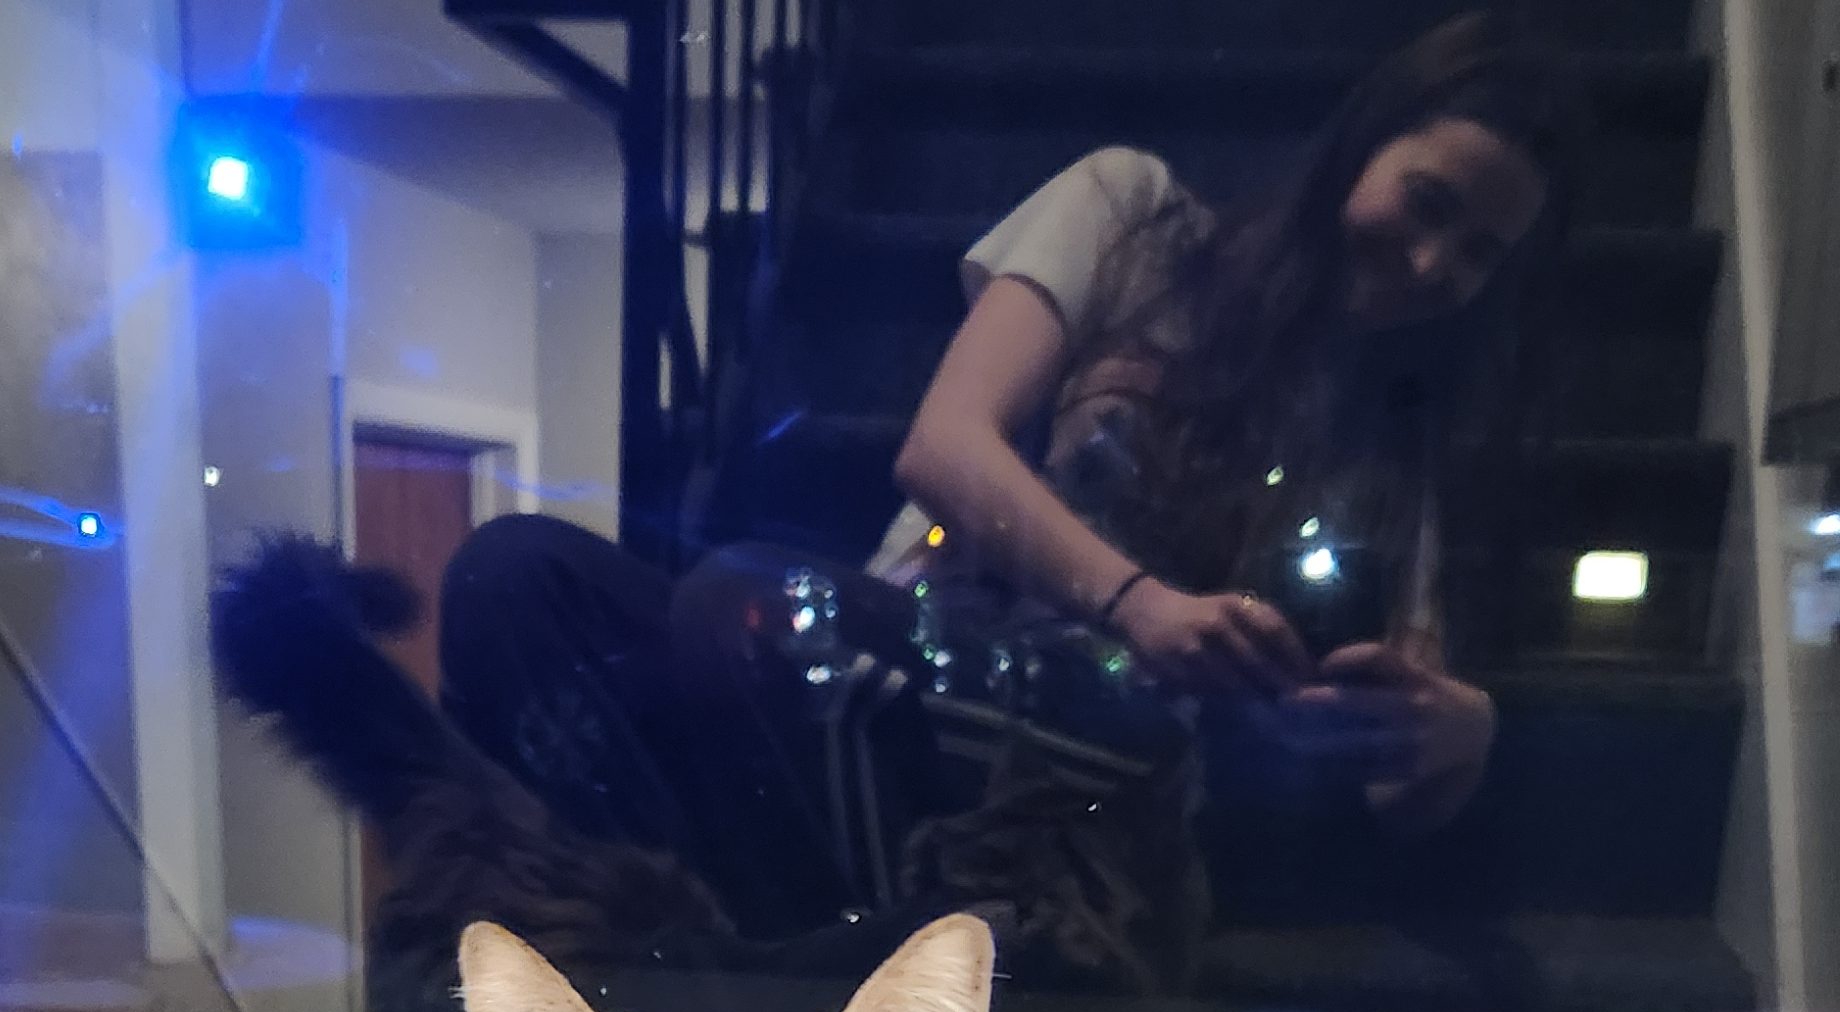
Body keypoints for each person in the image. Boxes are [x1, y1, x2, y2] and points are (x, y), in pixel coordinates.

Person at [437, 8, 1572, 963]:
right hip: (908, 657)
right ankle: (723, 957)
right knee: (515, 574)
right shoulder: (1131, 216)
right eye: (1429, 203)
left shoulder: (1390, 449)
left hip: (1095, 765)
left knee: (748, 603)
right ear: (1357, 149)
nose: (1435, 265)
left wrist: (1461, 741)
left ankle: (794, 989)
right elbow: (944, 446)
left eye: (1478, 255)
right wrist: (1145, 604)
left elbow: (1384, 777)